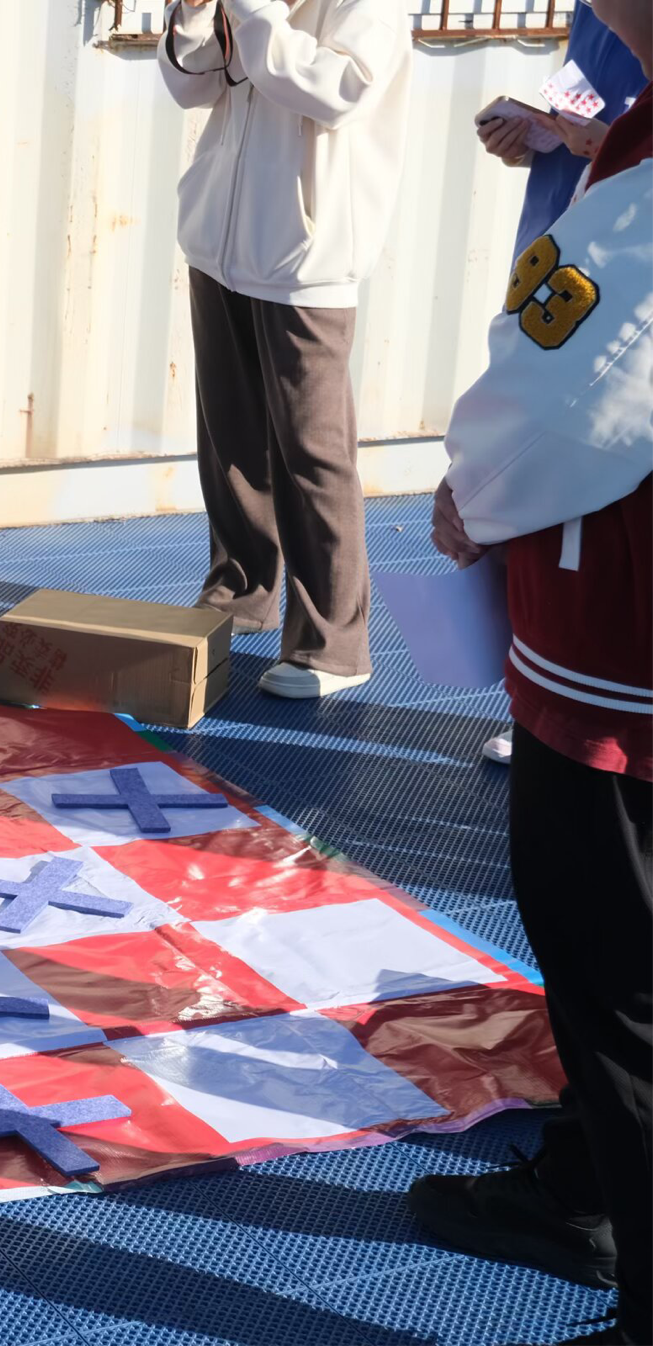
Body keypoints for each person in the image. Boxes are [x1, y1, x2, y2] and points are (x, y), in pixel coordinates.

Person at [414, 1, 653, 1337]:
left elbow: (578, 392)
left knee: (612, 965)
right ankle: (586, 1177)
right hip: (605, 632)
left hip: (617, 651)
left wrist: (476, 490)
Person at [159, 0, 412, 698]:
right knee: (229, 435)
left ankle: (333, 646)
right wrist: (194, 15)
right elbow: (190, 87)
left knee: (312, 452)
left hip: (308, 256)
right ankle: (241, 593)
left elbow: (338, 91)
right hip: (218, 240)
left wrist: (252, 10)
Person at [473, 2, 642, 766]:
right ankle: (538, 699)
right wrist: (539, 137)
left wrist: (601, 139)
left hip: (608, 298)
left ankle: (570, 712)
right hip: (560, 274)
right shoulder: (588, 14)